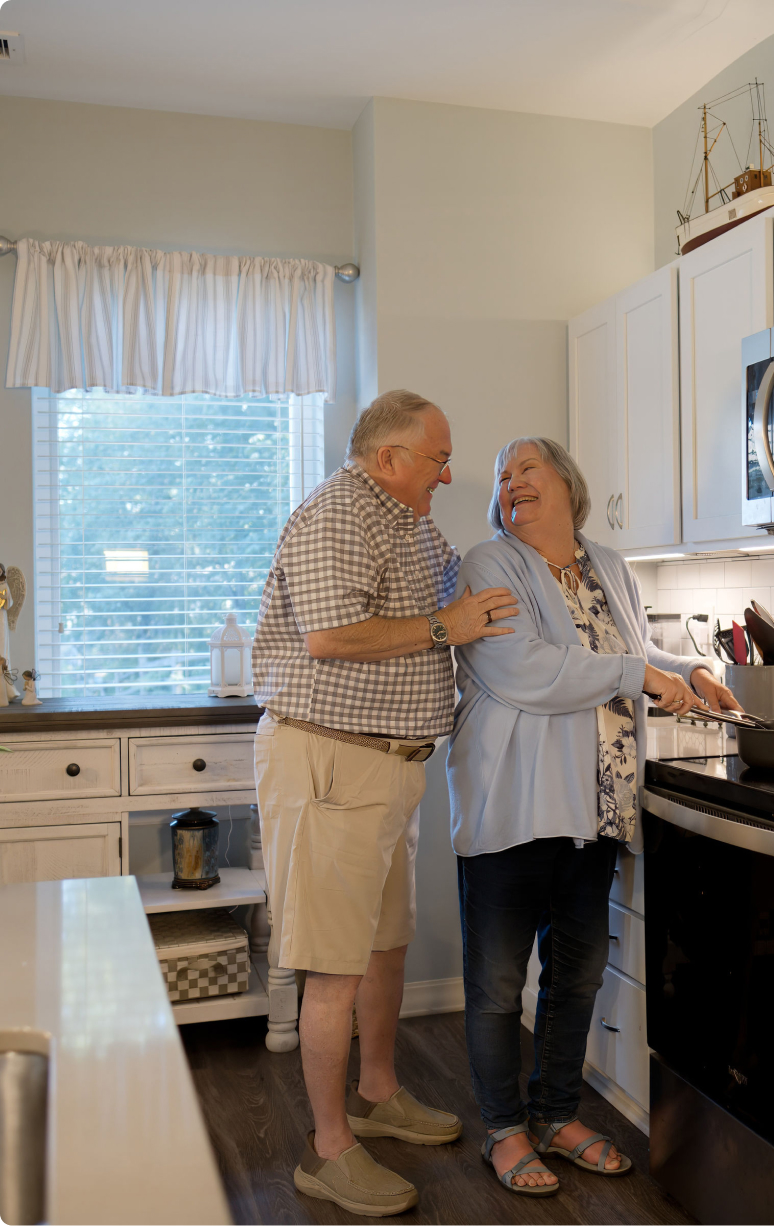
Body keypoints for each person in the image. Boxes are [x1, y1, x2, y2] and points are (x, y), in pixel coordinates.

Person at [446, 437, 741, 1198]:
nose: (511, 482)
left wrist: (690, 669)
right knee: (497, 983)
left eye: (526, 469)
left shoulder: (609, 565)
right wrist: (640, 672)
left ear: (569, 485)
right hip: (514, 803)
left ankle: (554, 1115)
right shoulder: (490, 564)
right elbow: (529, 669)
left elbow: (631, 651)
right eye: (503, 475)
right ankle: (504, 1130)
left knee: (575, 976)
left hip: (598, 804)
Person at [252, 390, 518, 1217]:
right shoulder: (340, 514)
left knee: (383, 947)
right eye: (437, 457)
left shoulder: (406, 520)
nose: (446, 471)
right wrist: (449, 628)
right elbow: (333, 637)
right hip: (331, 761)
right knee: (333, 966)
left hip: (390, 767)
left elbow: (458, 594)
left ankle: (376, 1091)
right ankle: (327, 1150)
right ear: (387, 457)